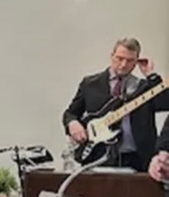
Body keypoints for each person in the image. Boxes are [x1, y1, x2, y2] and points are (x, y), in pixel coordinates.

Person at [64, 38, 164, 170]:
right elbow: (70, 113)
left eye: (130, 60)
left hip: (137, 160)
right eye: (119, 58)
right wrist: (72, 124)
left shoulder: (144, 87)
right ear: (112, 56)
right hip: (98, 157)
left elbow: (164, 102)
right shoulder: (90, 84)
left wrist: (151, 75)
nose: (123, 64)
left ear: (136, 61)